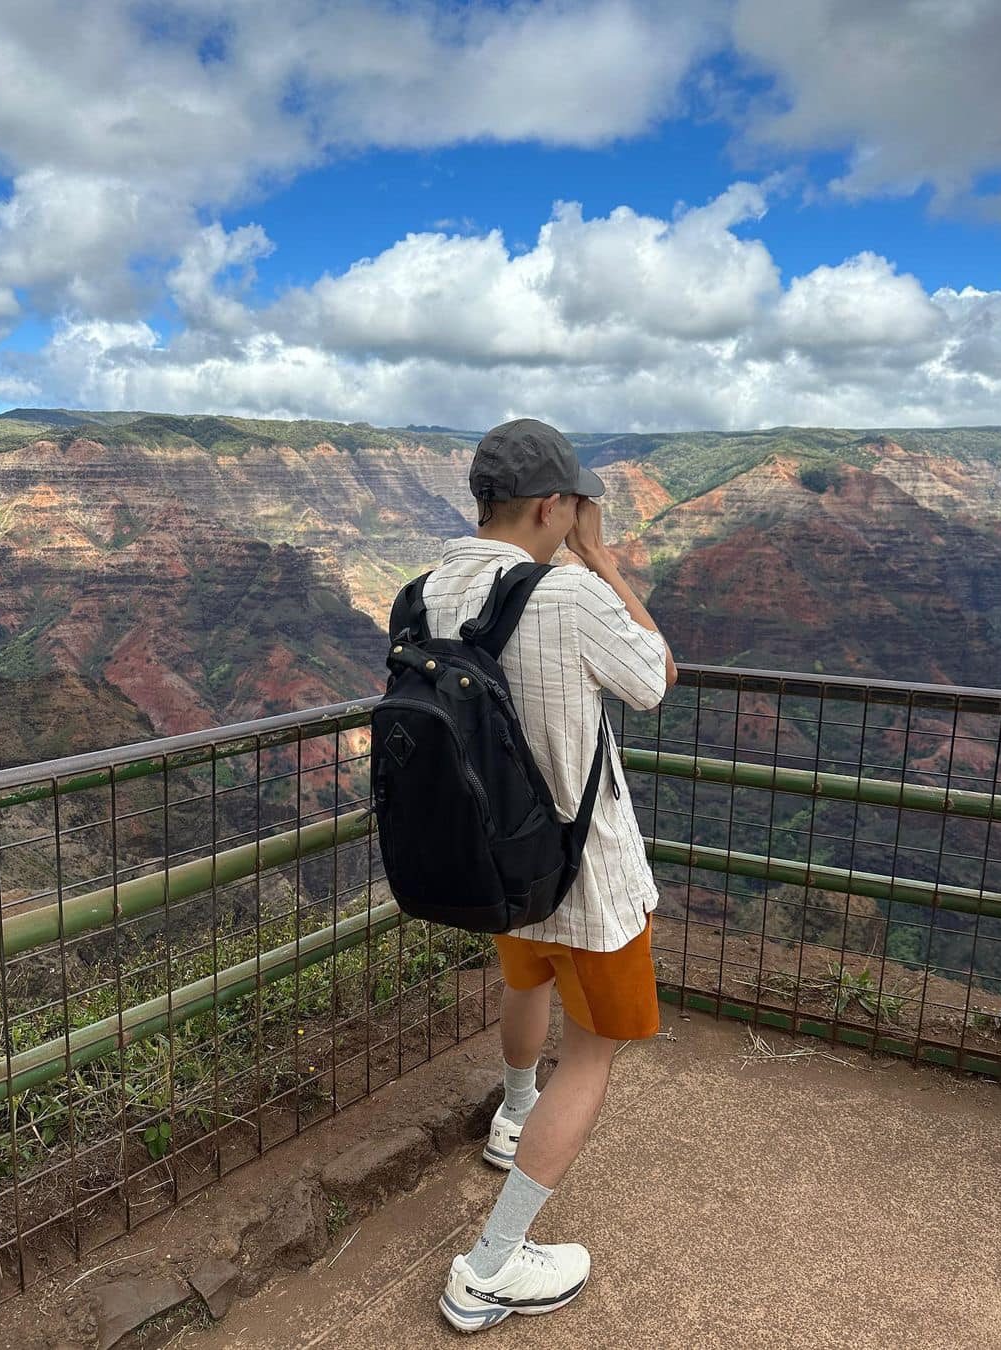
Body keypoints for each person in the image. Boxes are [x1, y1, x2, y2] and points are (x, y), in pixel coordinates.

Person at [421, 418, 677, 1333]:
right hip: (579, 869)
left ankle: (511, 1115)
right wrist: (603, 559)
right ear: (552, 505)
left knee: (523, 976)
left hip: (494, 858)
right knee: (596, 1050)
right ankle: (489, 1268)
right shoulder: (568, 594)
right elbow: (655, 677)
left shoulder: (429, 588)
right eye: (576, 504)